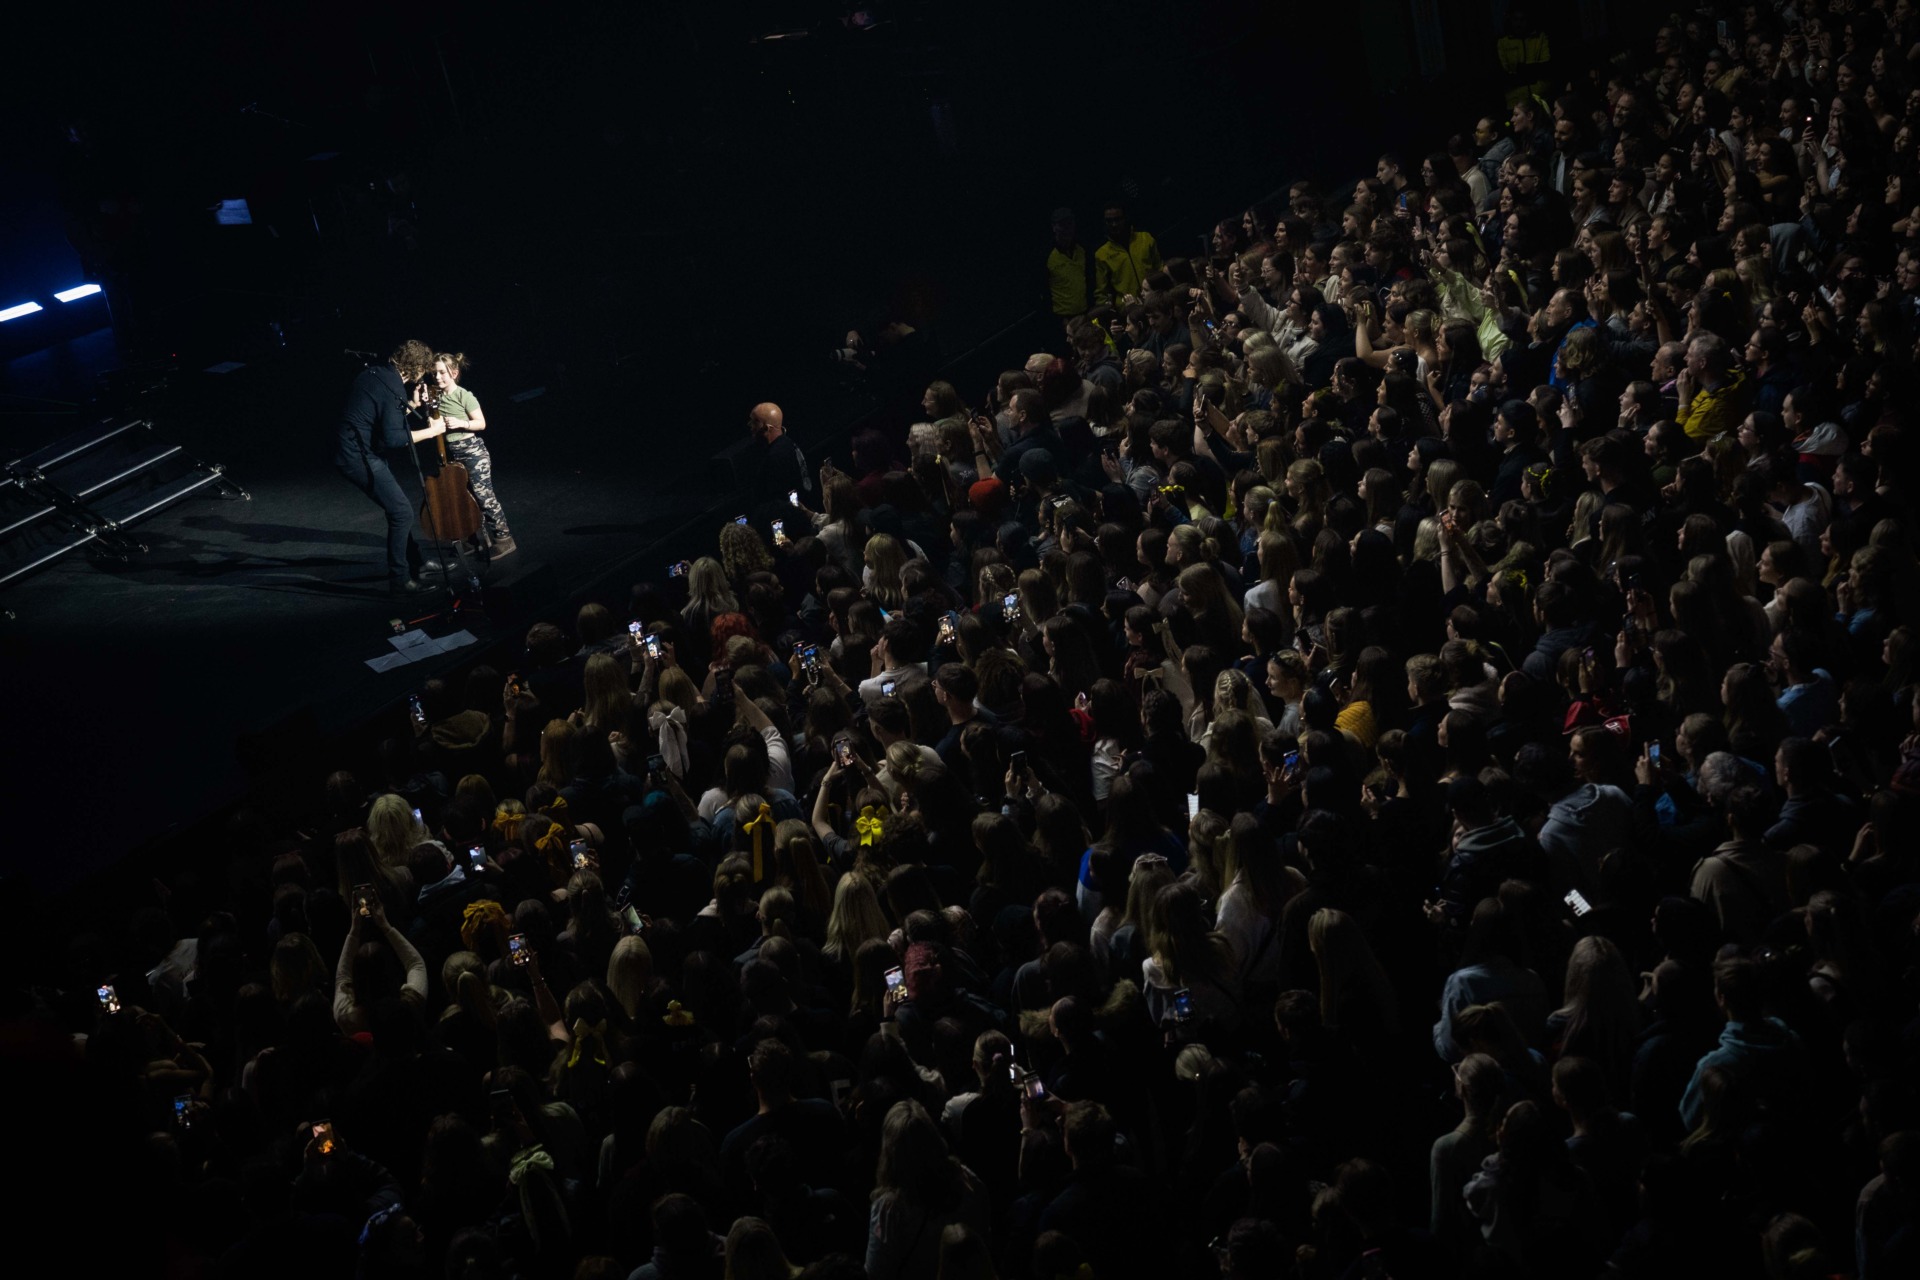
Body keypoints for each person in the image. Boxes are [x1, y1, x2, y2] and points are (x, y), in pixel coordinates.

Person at [333, 339, 449, 594]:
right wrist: (431, 431)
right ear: (417, 368)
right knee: (401, 512)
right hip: (358, 457)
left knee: (396, 510)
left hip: (361, 451)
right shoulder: (392, 385)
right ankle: (400, 578)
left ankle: (417, 563)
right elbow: (394, 439)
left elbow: (385, 422)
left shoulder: (376, 374)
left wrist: (413, 407)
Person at [430, 352, 516, 561]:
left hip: (473, 451)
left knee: (482, 495)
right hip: (453, 454)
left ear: (454, 372)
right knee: (460, 496)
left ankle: (504, 539)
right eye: (434, 373)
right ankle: (471, 540)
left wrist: (461, 423)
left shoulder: (464, 395)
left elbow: (481, 423)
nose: (438, 377)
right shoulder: (436, 396)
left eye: (442, 372)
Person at [1093, 204, 1162, 306]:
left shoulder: (1145, 239)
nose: (1114, 224)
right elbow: (1102, 291)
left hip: (1154, 300)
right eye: (1109, 221)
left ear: (1125, 219)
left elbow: (1159, 268)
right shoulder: (1102, 254)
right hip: (1128, 308)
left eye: (1117, 219)